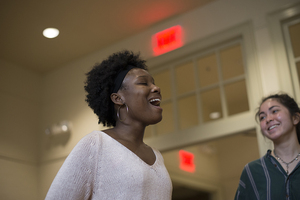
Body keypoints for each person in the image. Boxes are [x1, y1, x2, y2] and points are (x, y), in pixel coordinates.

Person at [45, 50, 173, 200]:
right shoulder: (96, 144)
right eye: (143, 83)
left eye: (154, 83)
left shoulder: (157, 155)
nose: (156, 88)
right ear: (118, 98)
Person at [234, 93, 300, 200]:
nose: (268, 119)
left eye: (274, 111)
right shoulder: (251, 171)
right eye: (262, 117)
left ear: (295, 118)